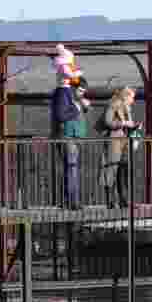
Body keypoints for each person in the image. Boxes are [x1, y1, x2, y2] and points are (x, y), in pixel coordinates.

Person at [50, 45, 87, 210]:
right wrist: (77, 108)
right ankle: (71, 201)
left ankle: (72, 200)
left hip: (69, 136)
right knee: (71, 168)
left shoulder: (64, 92)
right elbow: (61, 115)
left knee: (72, 168)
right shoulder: (62, 93)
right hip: (66, 136)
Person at [99, 87, 140, 209]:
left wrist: (134, 127)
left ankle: (124, 200)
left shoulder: (127, 108)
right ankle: (111, 202)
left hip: (124, 141)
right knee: (111, 170)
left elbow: (127, 125)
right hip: (114, 141)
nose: (133, 100)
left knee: (123, 171)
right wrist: (123, 123)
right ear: (125, 96)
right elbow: (107, 121)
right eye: (132, 97)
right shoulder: (114, 105)